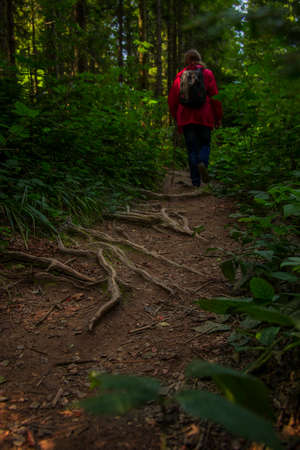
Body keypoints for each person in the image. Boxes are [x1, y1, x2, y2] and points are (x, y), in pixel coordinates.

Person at [168, 49, 222, 187]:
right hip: (205, 116)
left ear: (186, 60)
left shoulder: (180, 76)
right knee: (205, 144)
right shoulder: (207, 74)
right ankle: (203, 162)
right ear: (199, 59)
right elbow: (215, 97)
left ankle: (196, 182)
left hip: (186, 117)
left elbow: (173, 100)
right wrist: (218, 117)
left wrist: (176, 117)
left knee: (192, 149)